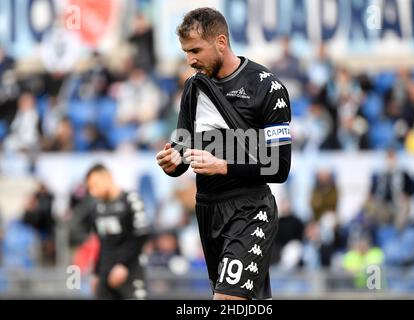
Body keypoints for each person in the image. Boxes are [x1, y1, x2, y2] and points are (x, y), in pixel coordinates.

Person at [156, 8, 291, 300]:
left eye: (195, 50)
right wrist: (172, 163)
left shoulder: (267, 88)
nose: (190, 60)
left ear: (220, 42)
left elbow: (280, 168)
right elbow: (181, 147)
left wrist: (224, 166)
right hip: (207, 211)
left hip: (250, 209)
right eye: (185, 52)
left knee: (226, 301)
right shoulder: (194, 87)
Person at [85, 164, 151, 300]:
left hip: (131, 271)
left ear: (107, 178)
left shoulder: (131, 200)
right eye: (90, 188)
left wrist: (123, 264)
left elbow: (141, 235)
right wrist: (96, 273)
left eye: (95, 186)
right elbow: (101, 243)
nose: (92, 192)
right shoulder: (97, 208)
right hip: (106, 273)